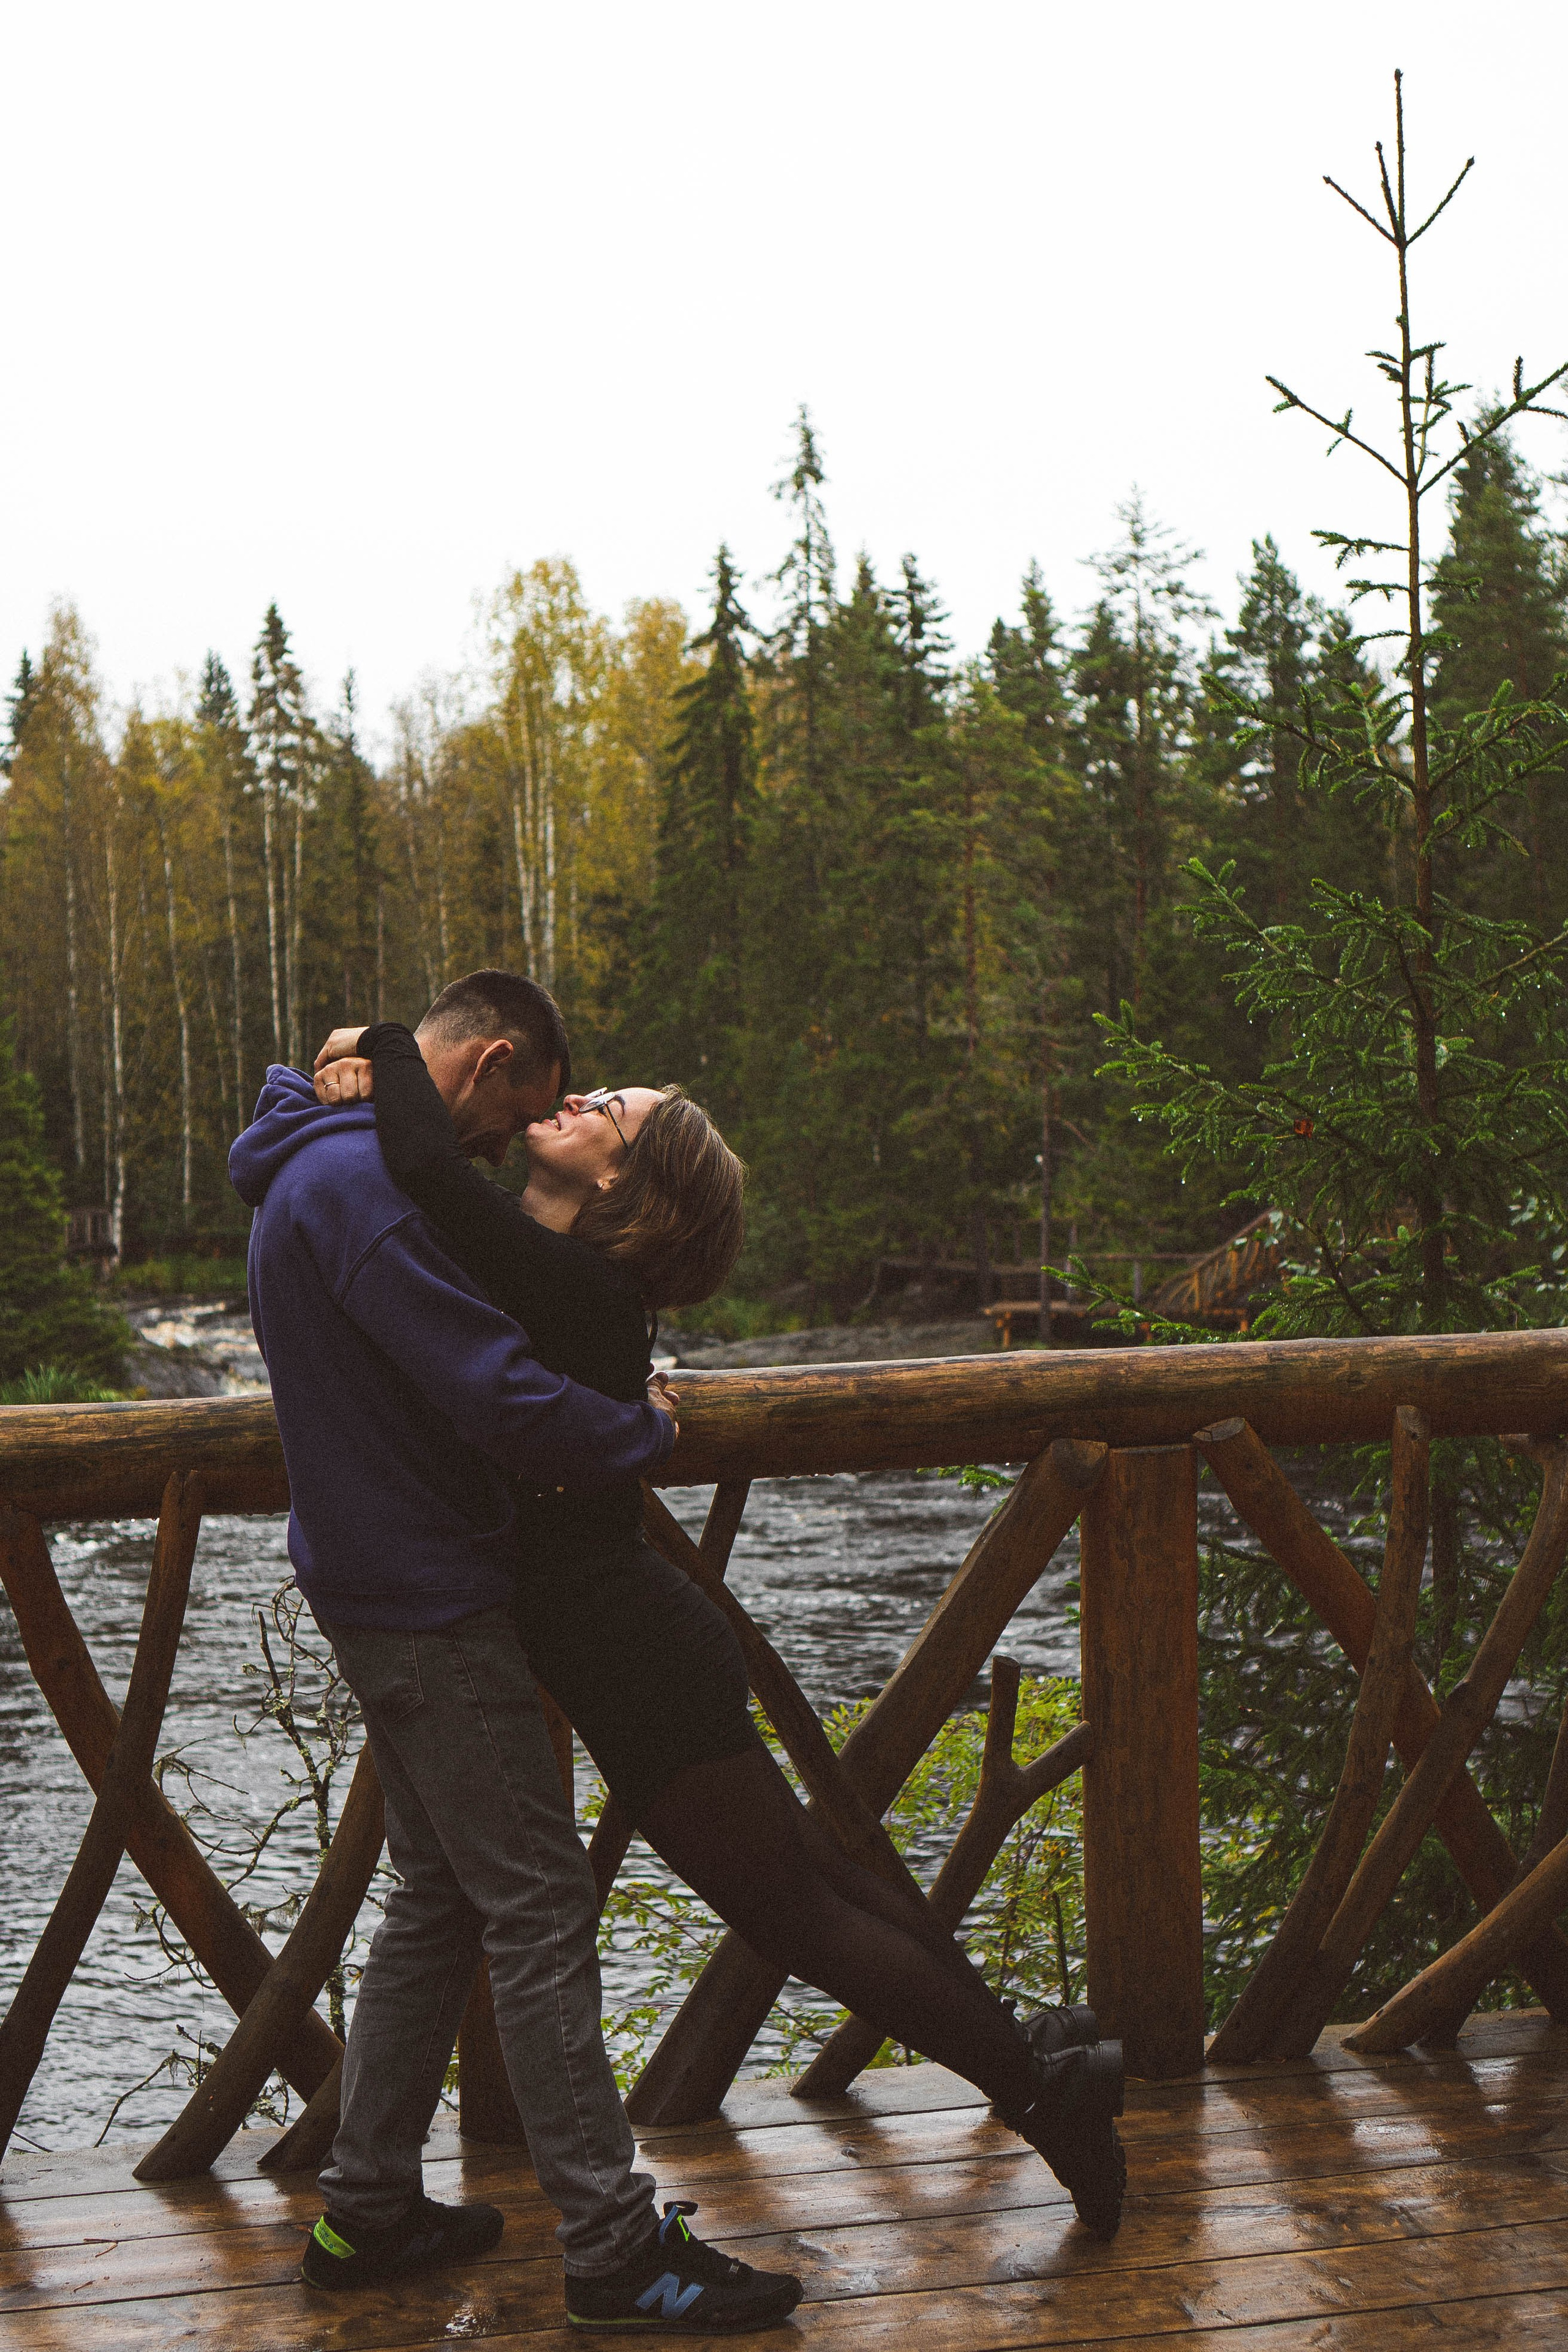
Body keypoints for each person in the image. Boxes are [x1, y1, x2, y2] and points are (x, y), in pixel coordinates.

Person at [311, 1014, 1128, 2240]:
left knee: (795, 1912)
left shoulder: (574, 1281)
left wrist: (378, 1037)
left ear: (628, 1186)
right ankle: (1035, 2056)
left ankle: (1037, 2093)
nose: (577, 1104)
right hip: (632, 1636)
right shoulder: (554, 1276)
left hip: (630, 1652)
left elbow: (426, 1167)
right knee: (814, 1884)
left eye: (610, 1114)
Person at [231, 970, 804, 2330]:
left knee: (439, 1897)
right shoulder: (365, 1191)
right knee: (540, 1905)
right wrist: (644, 1432)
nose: (489, 1160)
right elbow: (497, 1395)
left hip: (382, 1576)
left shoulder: (315, 1154)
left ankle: (368, 2209)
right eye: (512, 1121)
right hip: (422, 1595)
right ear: (486, 1071)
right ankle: (615, 2253)